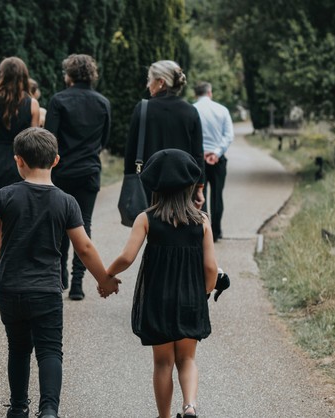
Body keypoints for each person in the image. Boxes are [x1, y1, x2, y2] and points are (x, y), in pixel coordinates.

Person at [0, 128, 120, 418]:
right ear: (56, 160)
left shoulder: (6, 195)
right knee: (50, 351)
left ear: (18, 161)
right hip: (46, 291)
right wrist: (104, 279)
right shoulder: (66, 202)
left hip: (10, 290)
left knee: (18, 348)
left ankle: (17, 407)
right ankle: (49, 410)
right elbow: (84, 247)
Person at [107, 149, 218, 418]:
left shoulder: (146, 219)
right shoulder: (201, 220)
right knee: (188, 359)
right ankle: (190, 405)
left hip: (158, 299)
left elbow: (127, 257)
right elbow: (211, 268)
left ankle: (164, 416)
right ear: (189, 186)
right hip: (191, 298)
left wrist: (107, 274)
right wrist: (202, 293)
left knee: (163, 363)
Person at [44, 54, 111, 300]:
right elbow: (104, 139)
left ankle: (60, 276)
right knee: (84, 224)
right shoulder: (103, 102)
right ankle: (78, 284)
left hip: (61, 171)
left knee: (60, 223)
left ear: (69, 75)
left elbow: (49, 138)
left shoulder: (58, 100)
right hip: (89, 170)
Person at [0, 57, 40, 257]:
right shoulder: (32, 104)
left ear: (1, 74)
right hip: (21, 162)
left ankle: (2, 262)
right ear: (24, 76)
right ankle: (19, 261)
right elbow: (34, 139)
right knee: (22, 214)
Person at [123, 60, 205, 206]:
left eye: (149, 79)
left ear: (161, 82)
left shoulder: (143, 109)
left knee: (149, 225)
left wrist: (130, 183)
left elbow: (131, 152)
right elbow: (197, 153)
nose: (147, 85)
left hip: (149, 184)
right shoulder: (190, 111)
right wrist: (199, 187)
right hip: (182, 185)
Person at [193, 82, 234, 242]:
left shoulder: (193, 109)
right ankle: (216, 232)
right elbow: (229, 135)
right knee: (217, 196)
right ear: (210, 92)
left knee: (199, 196)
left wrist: (201, 153)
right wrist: (216, 153)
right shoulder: (222, 110)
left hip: (198, 160)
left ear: (196, 94)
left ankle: (203, 232)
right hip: (217, 160)